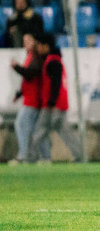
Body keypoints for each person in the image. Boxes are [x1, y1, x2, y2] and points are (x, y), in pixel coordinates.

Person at [30, 32, 84, 163]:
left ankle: (30, 158)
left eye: (39, 45)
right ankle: (80, 156)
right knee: (66, 133)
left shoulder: (52, 61)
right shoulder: (56, 59)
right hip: (59, 105)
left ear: (45, 46)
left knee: (39, 131)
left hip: (52, 106)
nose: (37, 48)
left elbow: (56, 82)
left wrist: (51, 101)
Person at [8, 34, 50, 165]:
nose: (25, 43)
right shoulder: (31, 56)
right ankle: (45, 156)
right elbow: (29, 78)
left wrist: (16, 67)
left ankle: (24, 155)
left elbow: (32, 73)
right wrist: (20, 93)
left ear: (35, 42)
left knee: (21, 125)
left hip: (33, 100)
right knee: (36, 129)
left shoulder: (36, 56)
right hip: (31, 98)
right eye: (24, 40)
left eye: (28, 41)